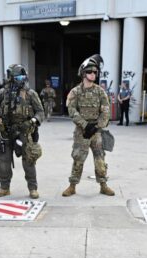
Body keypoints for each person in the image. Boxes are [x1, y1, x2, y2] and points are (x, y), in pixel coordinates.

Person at [61, 54, 115, 197]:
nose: (93, 74)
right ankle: (72, 186)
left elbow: (106, 111)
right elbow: (72, 111)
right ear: (83, 74)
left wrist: (97, 127)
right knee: (78, 158)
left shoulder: (100, 92)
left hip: (96, 132)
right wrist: (85, 125)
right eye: (90, 72)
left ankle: (103, 185)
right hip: (82, 132)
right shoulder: (75, 92)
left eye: (95, 72)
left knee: (100, 159)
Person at [0, 64, 44, 199]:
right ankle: (4, 188)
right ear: (11, 78)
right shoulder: (2, 93)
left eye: (22, 77)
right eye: (18, 77)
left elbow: (40, 112)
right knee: (4, 161)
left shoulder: (30, 94)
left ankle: (33, 188)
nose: (21, 79)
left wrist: (32, 121)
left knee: (29, 161)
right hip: (5, 132)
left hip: (24, 132)